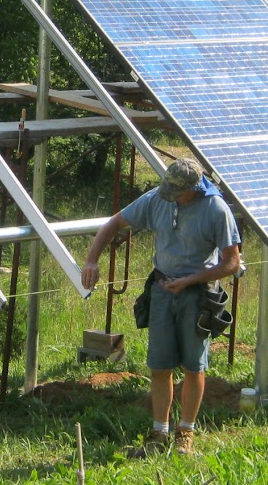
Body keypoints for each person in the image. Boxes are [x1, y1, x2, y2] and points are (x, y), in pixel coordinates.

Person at [80, 155, 241, 457]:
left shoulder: (216, 209)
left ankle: (186, 433)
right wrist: (91, 260)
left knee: (194, 366)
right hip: (162, 291)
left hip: (197, 294)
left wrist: (192, 279)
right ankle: (159, 432)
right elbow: (114, 223)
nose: (171, 197)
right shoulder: (158, 198)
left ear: (194, 188)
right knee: (159, 365)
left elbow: (231, 263)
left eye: (177, 192)